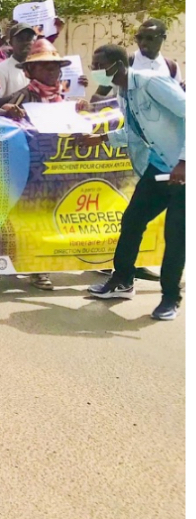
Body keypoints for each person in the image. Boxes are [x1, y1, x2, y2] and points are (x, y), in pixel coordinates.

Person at [85, 43, 185, 320]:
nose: (95, 70)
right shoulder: (124, 92)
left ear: (118, 65)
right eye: (93, 65)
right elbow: (134, 131)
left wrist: (185, 161)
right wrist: (102, 138)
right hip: (159, 167)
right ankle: (123, 280)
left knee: (176, 235)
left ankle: (170, 298)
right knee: (132, 221)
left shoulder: (151, 83)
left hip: (184, 171)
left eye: (99, 65)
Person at [0, 39, 81, 290]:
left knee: (50, 216)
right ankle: (36, 268)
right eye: (44, 66)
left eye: (55, 66)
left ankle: (39, 264)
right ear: (29, 71)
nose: (51, 70)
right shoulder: (22, 97)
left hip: (56, 168)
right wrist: (7, 111)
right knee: (31, 217)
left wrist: (82, 111)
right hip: (29, 171)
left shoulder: (63, 99)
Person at [0, 22, 38, 102]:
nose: (25, 42)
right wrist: (20, 95)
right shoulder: (1, 69)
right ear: (11, 43)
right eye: (20, 39)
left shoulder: (39, 69)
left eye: (29, 38)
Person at [131, 17, 183, 83]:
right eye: (139, 37)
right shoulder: (126, 63)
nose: (143, 42)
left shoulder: (172, 67)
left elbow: (176, 89)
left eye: (149, 38)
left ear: (163, 38)